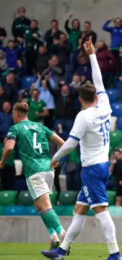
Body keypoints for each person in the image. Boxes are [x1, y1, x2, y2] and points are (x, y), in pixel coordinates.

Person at [41, 37, 122, 260]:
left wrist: (55, 158)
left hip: (92, 168)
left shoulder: (83, 116)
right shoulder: (105, 105)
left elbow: (70, 144)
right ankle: (62, 250)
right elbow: (99, 80)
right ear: (95, 95)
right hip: (101, 165)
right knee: (79, 210)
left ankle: (115, 254)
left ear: (79, 98)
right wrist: (92, 55)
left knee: (101, 211)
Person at [0, 101, 66, 250]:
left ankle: (63, 234)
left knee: (46, 206)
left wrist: (2, 162)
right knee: (39, 205)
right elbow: (63, 143)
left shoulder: (15, 128)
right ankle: (52, 236)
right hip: (48, 170)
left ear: (16, 114)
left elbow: (9, 148)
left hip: (34, 171)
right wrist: (56, 159)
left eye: (12, 114)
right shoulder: (41, 127)